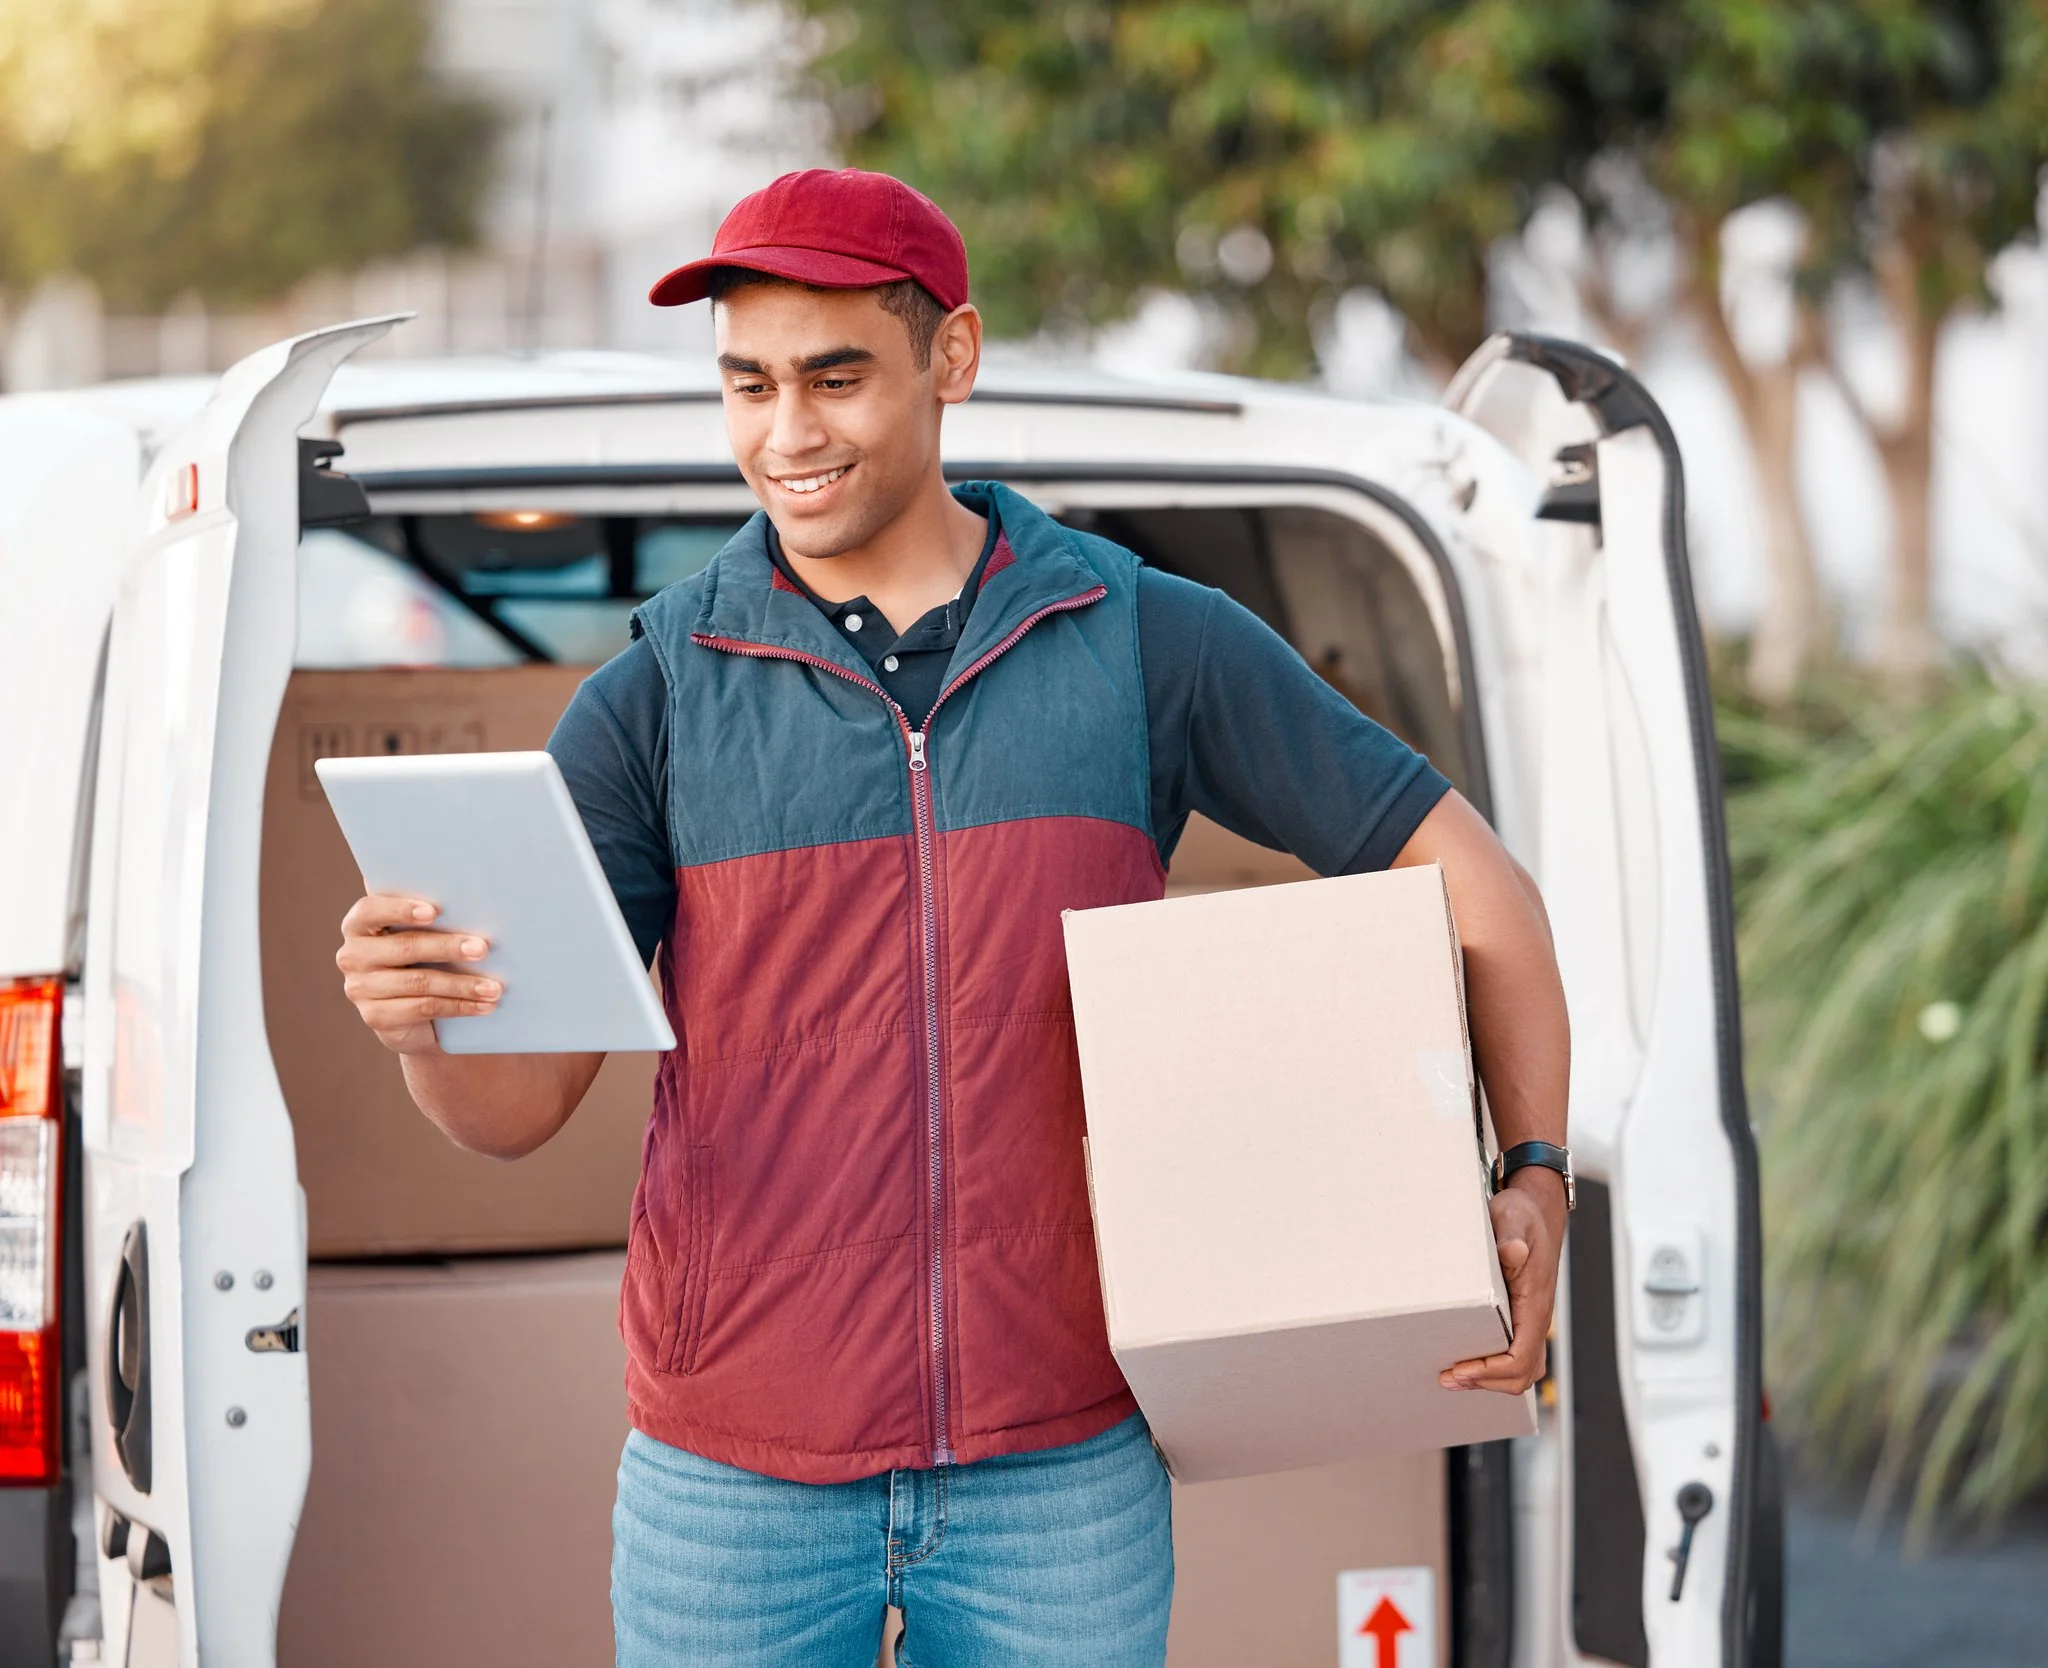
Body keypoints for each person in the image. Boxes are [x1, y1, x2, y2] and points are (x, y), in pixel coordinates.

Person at [333, 168, 1572, 1666]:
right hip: (732, 1480)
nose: (785, 432)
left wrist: (1534, 1171)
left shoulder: (1142, 640)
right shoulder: (653, 698)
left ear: (952, 358)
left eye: (834, 376)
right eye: (748, 385)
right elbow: (513, 1110)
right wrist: (422, 1025)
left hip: (1060, 1469)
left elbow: (1477, 890)